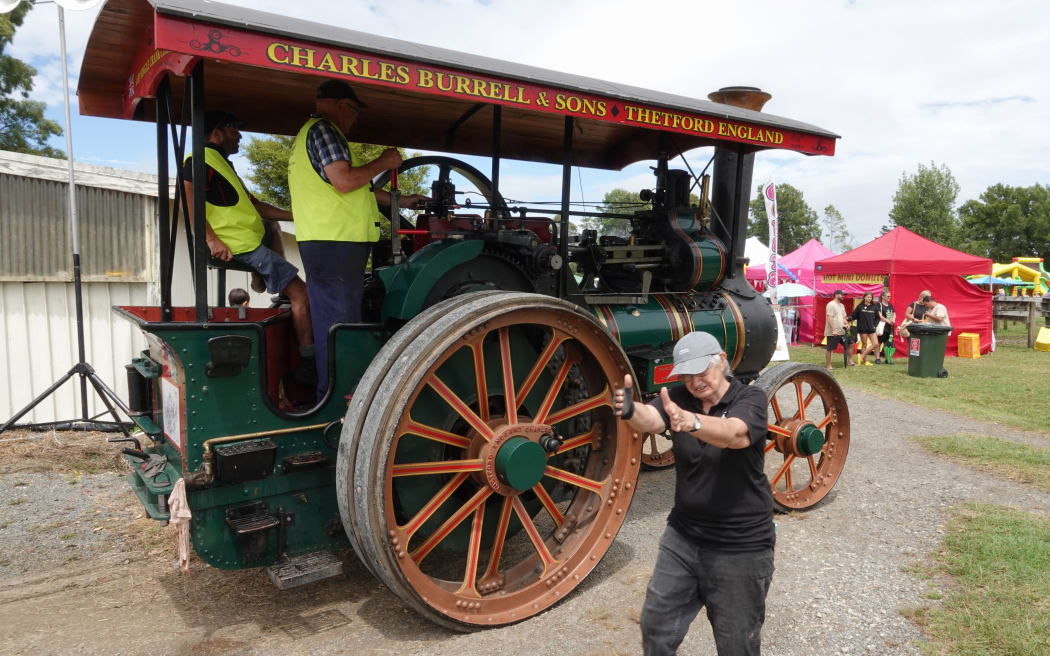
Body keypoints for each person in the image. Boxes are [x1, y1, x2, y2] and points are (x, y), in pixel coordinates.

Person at [614, 331, 773, 656]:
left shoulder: (750, 399)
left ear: (722, 362)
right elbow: (655, 420)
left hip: (740, 545)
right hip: (683, 537)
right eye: (685, 374)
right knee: (655, 625)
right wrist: (632, 410)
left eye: (701, 371)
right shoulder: (678, 397)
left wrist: (693, 423)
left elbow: (735, 435)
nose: (693, 381)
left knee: (736, 644)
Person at [288, 80, 427, 399]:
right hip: (336, 243)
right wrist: (384, 163)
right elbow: (345, 180)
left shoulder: (306, 135)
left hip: (326, 241)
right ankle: (338, 400)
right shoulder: (325, 131)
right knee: (340, 322)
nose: (354, 120)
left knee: (333, 318)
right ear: (341, 106)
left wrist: (402, 201)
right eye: (354, 112)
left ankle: (332, 392)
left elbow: (357, 188)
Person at [183, 111, 315, 384]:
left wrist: (302, 215)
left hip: (247, 242)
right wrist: (211, 239)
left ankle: (261, 278)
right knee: (301, 293)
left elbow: (258, 207)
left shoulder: (222, 165)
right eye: (233, 129)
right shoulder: (200, 159)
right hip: (238, 244)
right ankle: (309, 361)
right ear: (216, 133)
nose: (240, 135)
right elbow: (189, 199)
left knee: (271, 225)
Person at [824, 289, 853, 370]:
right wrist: (833, 330)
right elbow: (829, 318)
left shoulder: (842, 305)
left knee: (851, 343)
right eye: (842, 294)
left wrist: (847, 324)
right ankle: (829, 365)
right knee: (830, 348)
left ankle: (850, 361)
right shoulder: (831, 304)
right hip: (833, 332)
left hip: (842, 331)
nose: (843, 296)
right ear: (836, 295)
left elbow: (844, 317)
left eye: (844, 295)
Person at [849, 291, 879, 366]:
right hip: (863, 328)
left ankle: (861, 356)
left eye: (870, 297)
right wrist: (847, 319)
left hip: (872, 329)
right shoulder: (860, 306)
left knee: (875, 344)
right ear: (864, 297)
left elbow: (878, 318)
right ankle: (865, 361)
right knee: (864, 345)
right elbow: (853, 315)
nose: (869, 298)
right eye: (868, 297)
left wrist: (875, 325)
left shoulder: (874, 306)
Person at [875, 289, 895, 363]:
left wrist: (893, 319)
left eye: (890, 296)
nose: (889, 297)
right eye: (888, 296)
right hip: (882, 326)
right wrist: (888, 321)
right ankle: (877, 358)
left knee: (889, 342)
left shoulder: (890, 305)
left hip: (890, 327)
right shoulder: (879, 304)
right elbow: (880, 316)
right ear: (883, 297)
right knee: (879, 342)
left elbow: (893, 313)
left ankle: (888, 358)